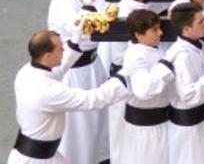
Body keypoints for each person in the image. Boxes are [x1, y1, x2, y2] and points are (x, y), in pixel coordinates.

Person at [10, 30, 129, 164]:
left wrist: (76, 40)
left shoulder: (27, 72)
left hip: (38, 156)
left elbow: (60, 69)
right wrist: (123, 79)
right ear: (48, 56)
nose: (64, 51)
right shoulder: (48, 91)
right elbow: (91, 100)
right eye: (61, 49)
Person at [45, 0, 109, 164]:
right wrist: (89, 4)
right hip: (75, 70)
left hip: (93, 64)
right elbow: (79, 29)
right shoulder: (62, 2)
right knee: (81, 128)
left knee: (100, 121)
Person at [163, 4, 204, 164]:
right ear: (186, 29)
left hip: (202, 121)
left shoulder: (198, 45)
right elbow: (188, 95)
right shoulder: (182, 56)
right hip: (188, 129)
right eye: (200, 22)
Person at [114, 9, 176, 164]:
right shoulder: (135, 56)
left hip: (163, 123)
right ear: (138, 35)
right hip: (146, 131)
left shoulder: (156, 47)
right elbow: (143, 90)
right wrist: (165, 67)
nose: (161, 33)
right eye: (154, 30)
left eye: (160, 27)